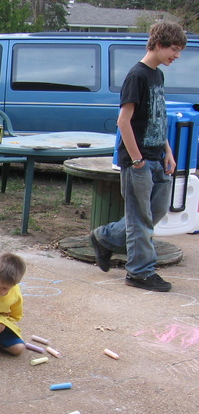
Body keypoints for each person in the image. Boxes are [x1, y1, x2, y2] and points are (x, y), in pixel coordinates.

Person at [90, 22, 187, 292]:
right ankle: (140, 272)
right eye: (174, 49)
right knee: (140, 219)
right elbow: (124, 121)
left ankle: (105, 237)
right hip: (138, 161)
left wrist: (168, 151)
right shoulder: (137, 75)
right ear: (157, 44)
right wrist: (136, 159)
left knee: (153, 213)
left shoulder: (158, 75)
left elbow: (157, 119)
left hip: (157, 158)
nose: (176, 56)